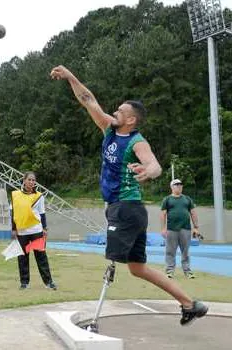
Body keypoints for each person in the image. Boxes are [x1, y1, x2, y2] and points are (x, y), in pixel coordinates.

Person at [50, 65, 208, 326]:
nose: (114, 112)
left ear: (131, 120)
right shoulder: (108, 130)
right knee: (137, 268)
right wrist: (70, 77)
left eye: (120, 111)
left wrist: (149, 171)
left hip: (125, 208)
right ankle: (190, 304)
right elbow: (88, 99)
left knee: (112, 259)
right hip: (125, 209)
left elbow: (155, 165)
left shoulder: (137, 141)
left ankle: (94, 322)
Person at [11, 171, 57, 290]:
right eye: (29, 180)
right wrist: (13, 229)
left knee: (41, 256)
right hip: (22, 232)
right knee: (22, 258)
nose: (31, 182)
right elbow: (14, 213)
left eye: (33, 180)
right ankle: (24, 283)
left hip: (36, 230)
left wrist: (45, 228)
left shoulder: (39, 196)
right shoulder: (15, 195)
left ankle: (48, 282)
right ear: (24, 180)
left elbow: (42, 213)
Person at [160, 179, 199, 279]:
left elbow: (193, 212)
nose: (179, 186)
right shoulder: (167, 199)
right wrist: (163, 228)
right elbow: (163, 214)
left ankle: (187, 272)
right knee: (170, 251)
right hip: (172, 229)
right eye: (177, 185)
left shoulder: (187, 199)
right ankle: (169, 271)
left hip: (185, 228)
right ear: (172, 187)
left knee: (185, 251)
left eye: (180, 184)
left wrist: (196, 227)